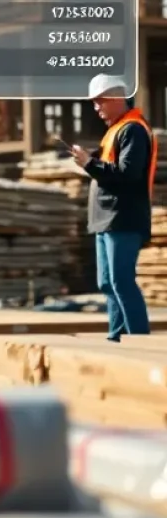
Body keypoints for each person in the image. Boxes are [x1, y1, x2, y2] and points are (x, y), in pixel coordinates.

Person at [70, 74, 157, 342]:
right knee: (107, 283)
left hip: (123, 218)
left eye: (101, 101)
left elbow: (127, 174)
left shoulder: (133, 130)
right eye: (94, 102)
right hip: (106, 219)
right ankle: (116, 338)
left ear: (118, 98)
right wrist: (90, 161)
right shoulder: (116, 130)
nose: (96, 107)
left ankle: (140, 341)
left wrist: (89, 164)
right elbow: (112, 170)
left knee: (121, 281)